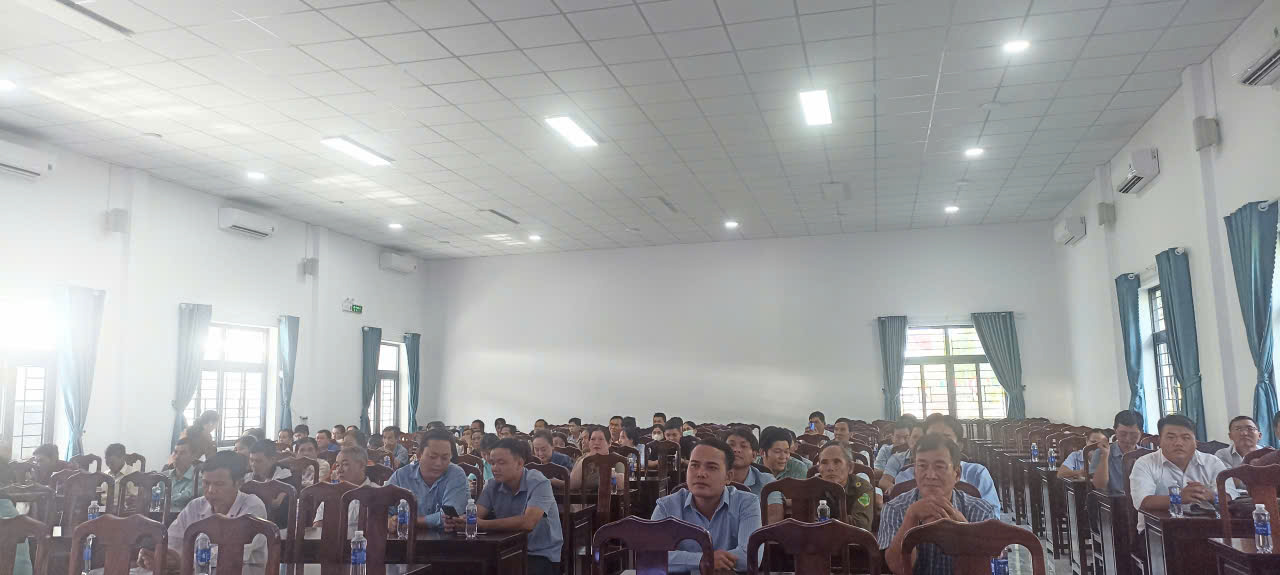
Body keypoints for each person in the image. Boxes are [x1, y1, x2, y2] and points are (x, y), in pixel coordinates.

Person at [878, 433, 998, 575]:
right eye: (922, 466)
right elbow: (898, 569)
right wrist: (911, 518)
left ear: (957, 474)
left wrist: (964, 530)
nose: (930, 475)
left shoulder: (981, 511)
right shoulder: (895, 508)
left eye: (939, 467)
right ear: (915, 472)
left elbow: (983, 569)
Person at [444, 439, 562, 575]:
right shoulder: (492, 485)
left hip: (539, 554)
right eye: (492, 463)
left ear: (519, 463)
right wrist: (461, 521)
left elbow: (528, 522)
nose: (494, 468)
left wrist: (481, 524)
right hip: (506, 549)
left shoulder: (539, 482)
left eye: (501, 463)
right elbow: (475, 515)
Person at [140, 451, 268, 573]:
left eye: (219, 484)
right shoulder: (195, 506)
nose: (211, 490)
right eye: (206, 483)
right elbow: (173, 541)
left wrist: (183, 560)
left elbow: (233, 554)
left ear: (239, 483)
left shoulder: (252, 507)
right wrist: (157, 555)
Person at [651, 439, 761, 573]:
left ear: (728, 476)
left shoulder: (747, 503)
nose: (700, 473)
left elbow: (751, 556)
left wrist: (685, 561)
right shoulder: (666, 507)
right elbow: (652, 556)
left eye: (712, 467)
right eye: (694, 465)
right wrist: (703, 560)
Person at [1131, 414, 1239, 532]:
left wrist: (1210, 496)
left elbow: (1230, 498)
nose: (1178, 443)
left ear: (1195, 442)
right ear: (1159, 441)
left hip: (1208, 529)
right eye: (1171, 437)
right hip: (1157, 531)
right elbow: (1142, 502)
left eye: (1186, 437)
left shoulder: (1212, 462)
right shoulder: (1144, 463)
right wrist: (1178, 498)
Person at [889, 414, 1000, 513]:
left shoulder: (977, 473)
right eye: (932, 438)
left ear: (960, 445)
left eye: (946, 438)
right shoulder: (906, 476)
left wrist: (959, 523)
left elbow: (992, 516)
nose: (939, 443)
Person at [388, 429, 469, 530]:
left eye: (445, 458)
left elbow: (449, 517)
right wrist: (389, 522)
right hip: (405, 538)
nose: (438, 463)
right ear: (419, 455)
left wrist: (409, 521)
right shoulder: (401, 476)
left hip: (445, 539)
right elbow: (379, 508)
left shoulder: (456, 474)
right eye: (433, 457)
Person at [314, 446, 378, 537]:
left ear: (361, 466)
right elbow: (318, 526)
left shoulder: (377, 492)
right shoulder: (331, 494)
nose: (339, 470)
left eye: (345, 464)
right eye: (337, 465)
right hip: (334, 543)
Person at [724, 427, 783, 522]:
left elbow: (774, 516)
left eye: (743, 446)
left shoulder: (767, 481)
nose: (736, 450)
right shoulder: (712, 478)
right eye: (731, 445)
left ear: (754, 455)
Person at [816, 441, 874, 530]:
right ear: (819, 468)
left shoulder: (862, 488)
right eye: (824, 462)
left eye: (836, 462)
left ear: (850, 467)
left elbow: (861, 525)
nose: (830, 468)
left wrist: (824, 523)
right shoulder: (812, 487)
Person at [1091, 410, 1146, 494]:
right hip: (1113, 500)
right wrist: (1104, 457)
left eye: (1133, 435)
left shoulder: (1146, 455)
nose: (1127, 439)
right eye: (1123, 434)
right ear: (1115, 431)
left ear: (1141, 433)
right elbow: (1099, 486)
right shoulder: (1101, 453)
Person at [879, 420, 926, 492]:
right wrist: (894, 488)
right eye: (915, 437)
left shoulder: (935, 461)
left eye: (922, 438)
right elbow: (884, 480)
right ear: (908, 439)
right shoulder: (896, 458)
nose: (918, 441)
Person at [1215, 416, 1262, 483]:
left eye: (1250, 429)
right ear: (1230, 436)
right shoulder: (1222, 455)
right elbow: (1226, 481)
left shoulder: (1269, 453)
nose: (1244, 433)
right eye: (1238, 429)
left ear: (1259, 435)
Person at [569, 426, 613, 490]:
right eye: (593, 439)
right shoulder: (582, 459)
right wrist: (586, 458)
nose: (596, 443)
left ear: (609, 443)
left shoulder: (617, 459)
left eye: (601, 439)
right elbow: (572, 485)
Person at [166, 438, 198, 512]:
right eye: (175, 452)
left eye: (182, 453)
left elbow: (184, 498)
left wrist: (162, 499)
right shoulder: (164, 476)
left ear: (193, 457)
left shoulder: (198, 478)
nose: (177, 457)